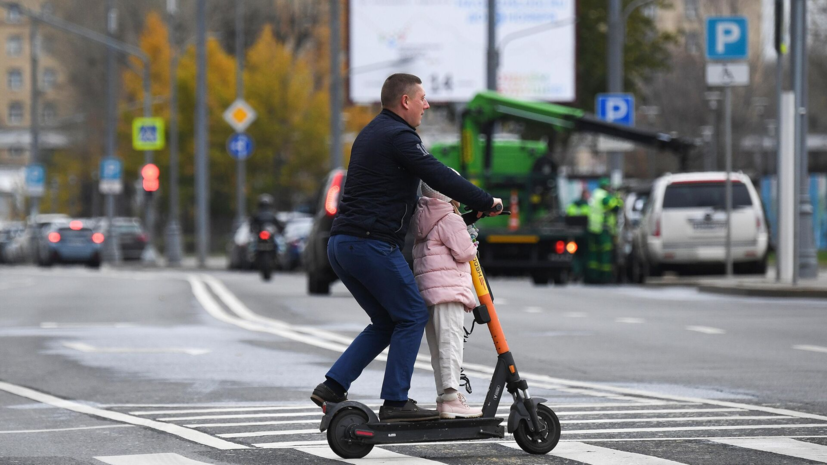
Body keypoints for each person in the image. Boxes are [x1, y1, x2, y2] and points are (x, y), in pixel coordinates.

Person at [310, 73, 502, 422]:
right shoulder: (399, 136)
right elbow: (439, 175)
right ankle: (396, 403)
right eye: (423, 98)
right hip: (370, 244)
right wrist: (487, 201)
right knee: (413, 313)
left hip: (343, 245)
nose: (427, 105)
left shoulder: (371, 132)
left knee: (386, 320)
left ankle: (333, 386)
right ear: (405, 101)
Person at [412, 178, 483, 419]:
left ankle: (445, 397)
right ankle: (452, 398)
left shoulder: (425, 218)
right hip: (449, 290)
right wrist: (472, 237)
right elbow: (465, 252)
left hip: (430, 292)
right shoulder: (450, 218)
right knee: (451, 344)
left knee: (438, 348)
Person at [586, 179, 621, 284]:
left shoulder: (595, 194)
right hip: (603, 230)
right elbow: (616, 207)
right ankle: (605, 277)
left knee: (594, 256)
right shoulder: (604, 196)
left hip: (593, 229)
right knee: (605, 254)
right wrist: (618, 198)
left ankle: (593, 276)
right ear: (605, 186)